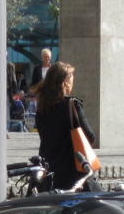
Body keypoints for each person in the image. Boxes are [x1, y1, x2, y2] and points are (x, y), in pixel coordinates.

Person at [32, 61, 98, 192]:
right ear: (66, 82)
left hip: (50, 171)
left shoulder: (42, 107)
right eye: (72, 78)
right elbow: (89, 137)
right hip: (73, 171)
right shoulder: (72, 105)